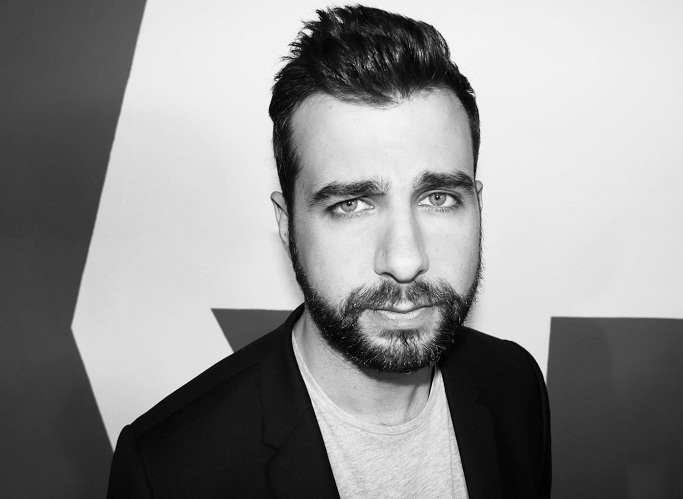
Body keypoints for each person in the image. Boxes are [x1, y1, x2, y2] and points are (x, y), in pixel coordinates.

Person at [106, 5, 551, 498]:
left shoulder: (515, 384)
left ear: (478, 207)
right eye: (351, 204)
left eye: (439, 198)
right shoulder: (170, 471)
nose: (405, 261)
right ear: (287, 224)